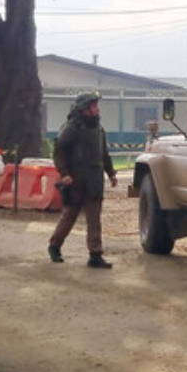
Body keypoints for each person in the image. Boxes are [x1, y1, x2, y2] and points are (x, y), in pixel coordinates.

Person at [49, 93, 118, 268]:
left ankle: (95, 254)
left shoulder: (99, 129)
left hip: (94, 181)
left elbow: (104, 154)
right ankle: (55, 246)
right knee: (69, 217)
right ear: (85, 109)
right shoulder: (72, 128)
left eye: (97, 106)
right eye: (94, 106)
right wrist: (64, 173)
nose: (97, 109)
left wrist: (111, 173)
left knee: (94, 220)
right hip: (76, 182)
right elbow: (59, 150)